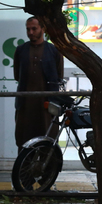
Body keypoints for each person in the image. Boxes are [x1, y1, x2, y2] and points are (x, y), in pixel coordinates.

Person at [13, 17, 63, 149]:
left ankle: (47, 170)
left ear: (43, 29)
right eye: (28, 29)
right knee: (24, 143)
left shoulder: (54, 51)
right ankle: (25, 170)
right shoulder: (20, 50)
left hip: (47, 107)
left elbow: (58, 76)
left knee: (47, 142)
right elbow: (17, 76)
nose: (30, 32)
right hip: (25, 106)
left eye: (34, 28)